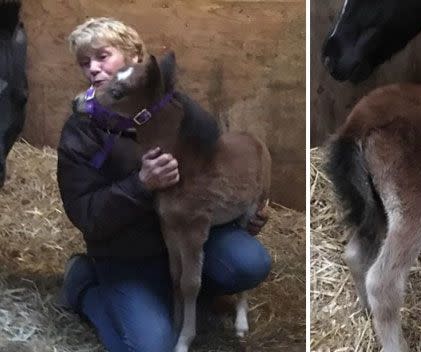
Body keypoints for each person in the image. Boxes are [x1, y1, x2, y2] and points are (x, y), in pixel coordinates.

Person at [56, 17, 272, 352]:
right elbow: (84, 213)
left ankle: (183, 295)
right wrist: (141, 184)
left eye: (102, 56)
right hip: (128, 252)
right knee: (149, 346)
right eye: (85, 63)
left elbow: (211, 170)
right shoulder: (83, 127)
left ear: (134, 56)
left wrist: (240, 211)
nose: (93, 69)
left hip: (185, 233)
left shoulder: (172, 108)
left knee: (249, 263)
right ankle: (84, 287)